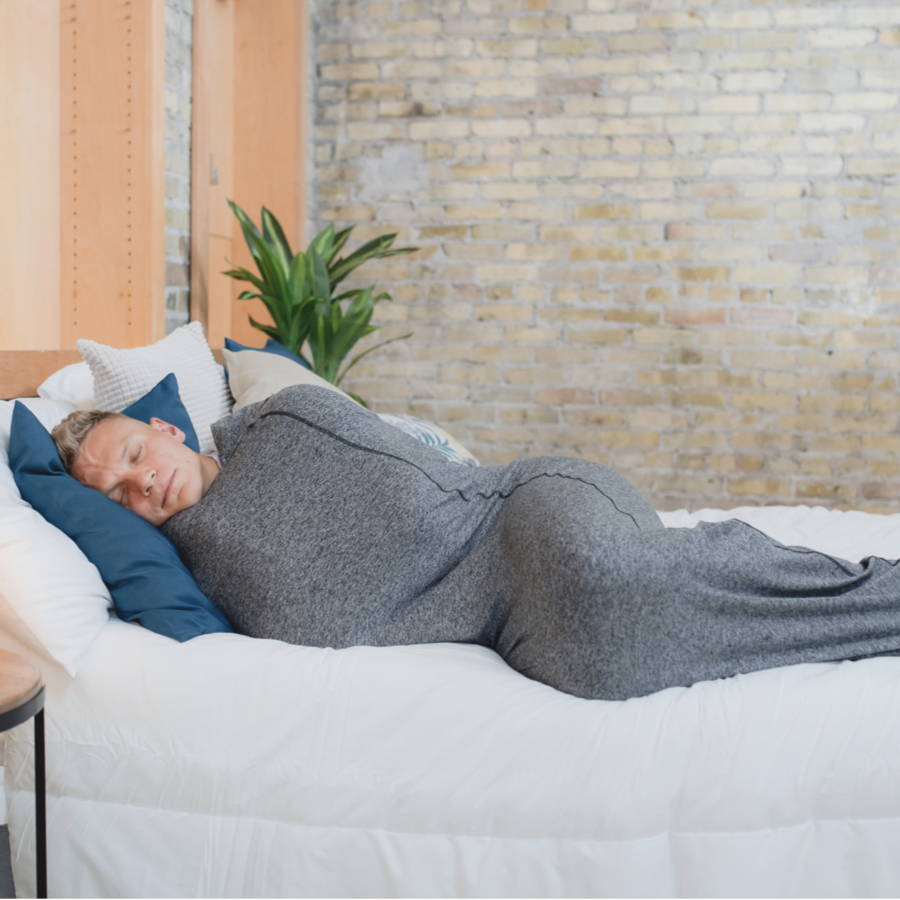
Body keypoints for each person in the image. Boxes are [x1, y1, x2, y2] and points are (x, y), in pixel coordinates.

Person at [52, 385, 900, 701]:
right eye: (119, 496)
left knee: (602, 578)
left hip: (525, 511)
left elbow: (430, 478)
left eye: (134, 454)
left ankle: (876, 594)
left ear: (165, 425)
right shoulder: (186, 570)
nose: (141, 485)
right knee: (599, 655)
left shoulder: (276, 420)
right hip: (502, 615)